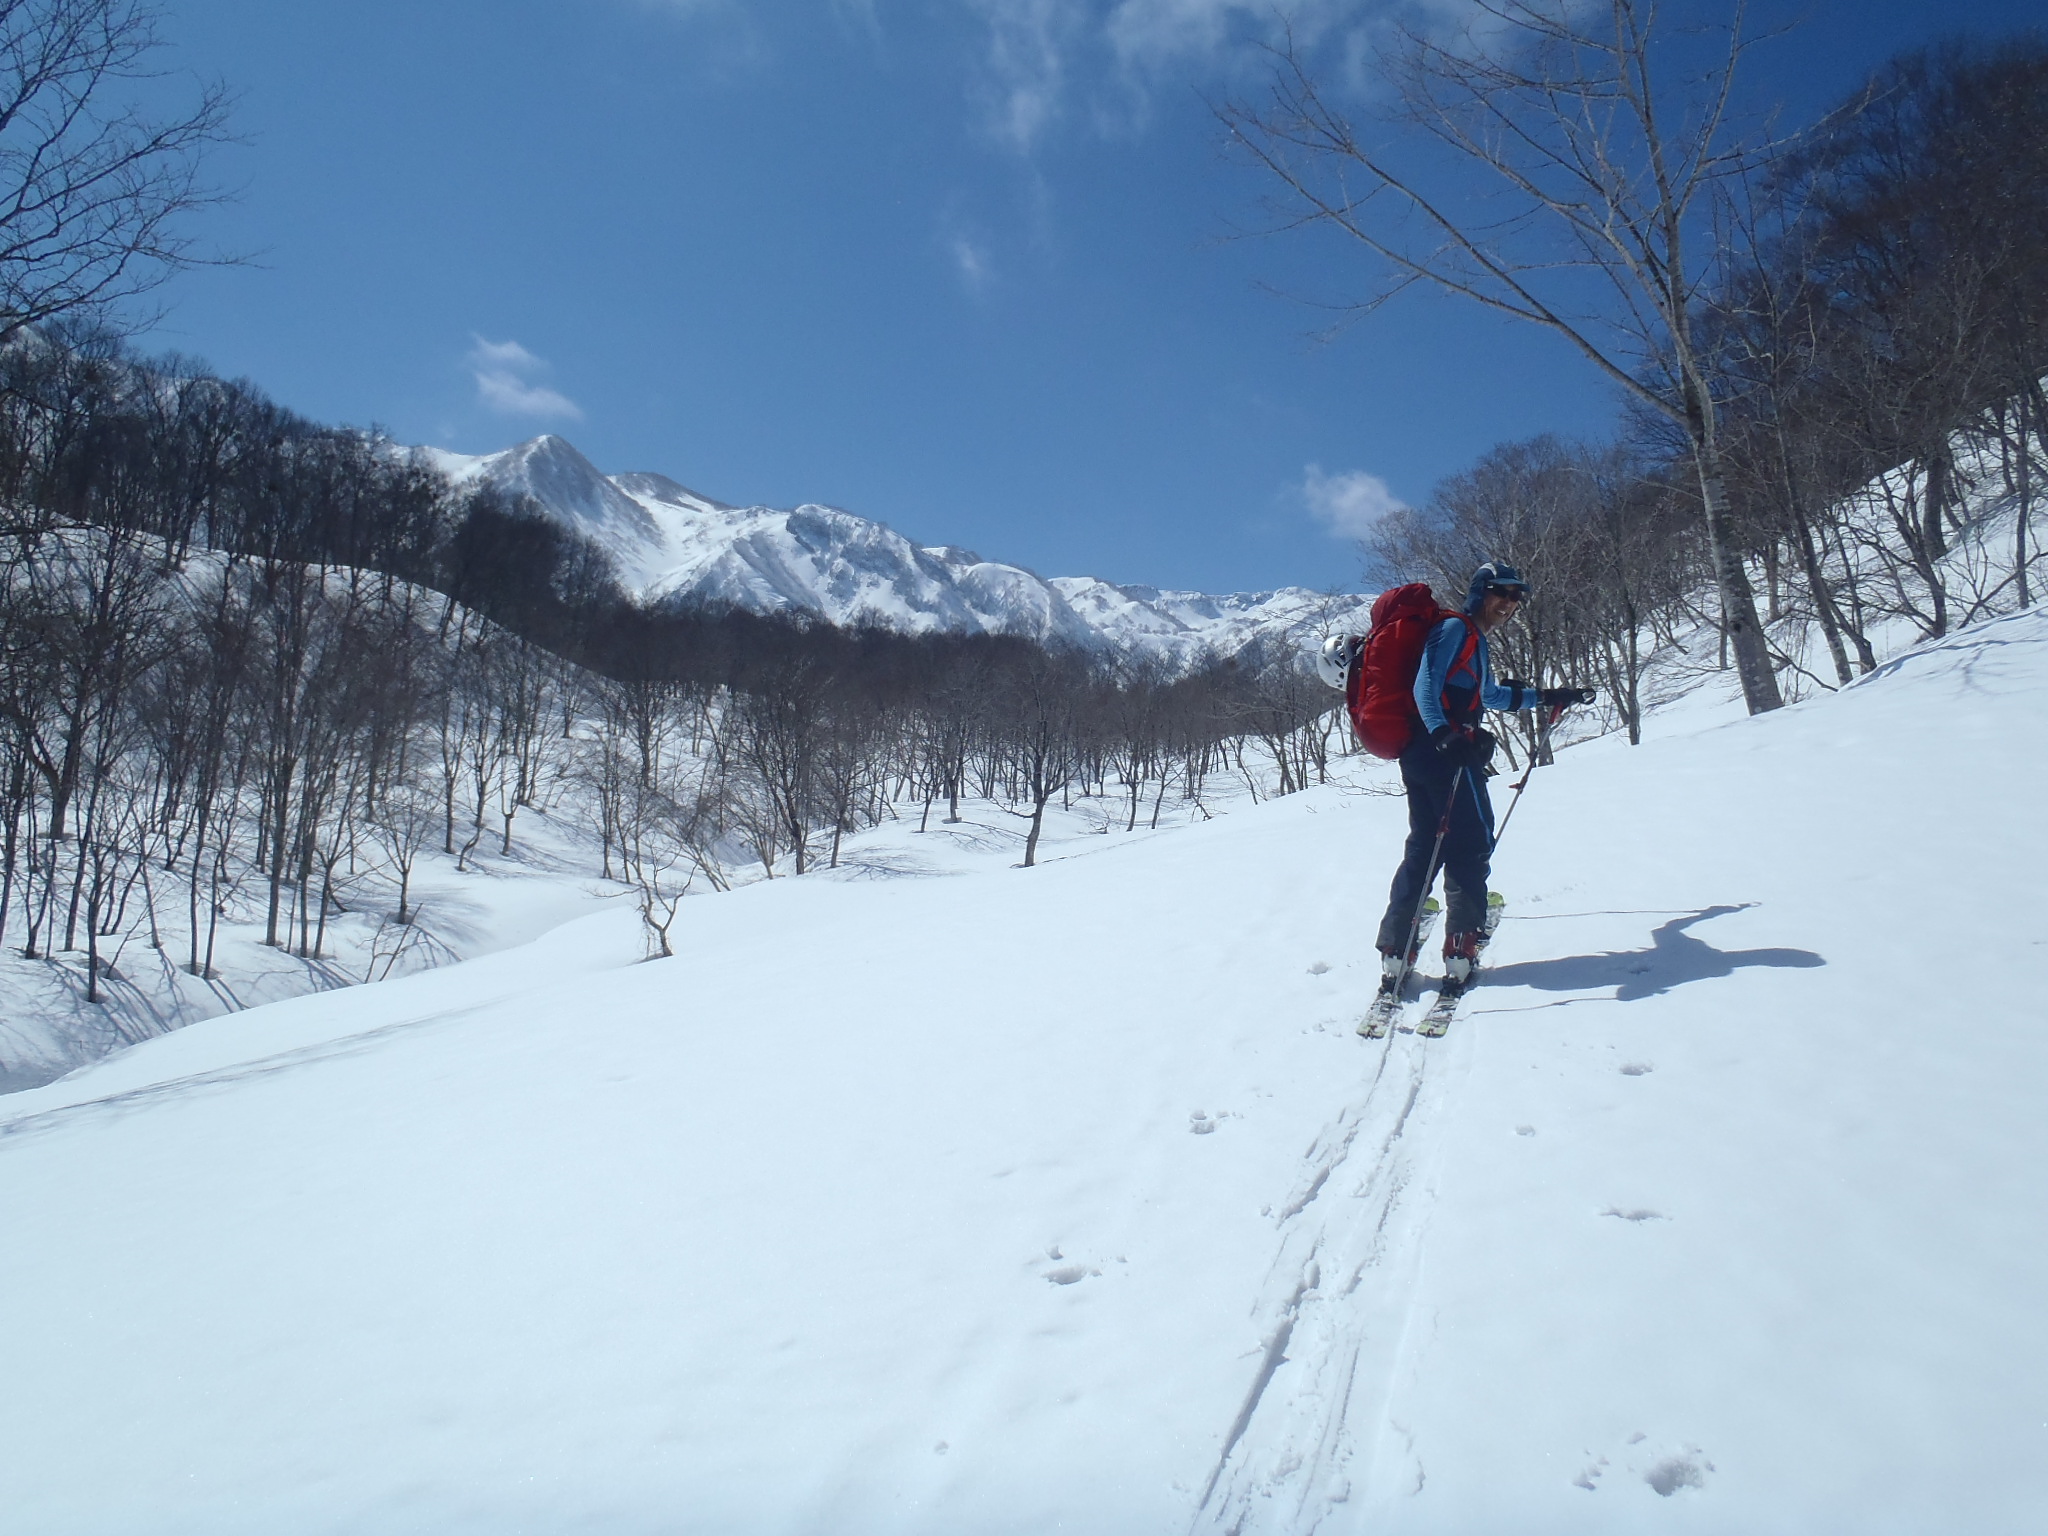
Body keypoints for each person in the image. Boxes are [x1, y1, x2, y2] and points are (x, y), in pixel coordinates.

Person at [1373, 561, 1586, 990]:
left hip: (1426, 754)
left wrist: (1547, 697)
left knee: (1426, 845)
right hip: (1444, 754)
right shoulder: (1455, 629)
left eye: (1516, 597)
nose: (1509, 603)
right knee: (1470, 844)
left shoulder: (1474, 640)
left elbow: (1490, 694)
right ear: (1479, 593)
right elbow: (1425, 687)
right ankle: (1461, 946)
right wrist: (1444, 737)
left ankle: (1398, 948)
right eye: (1500, 593)